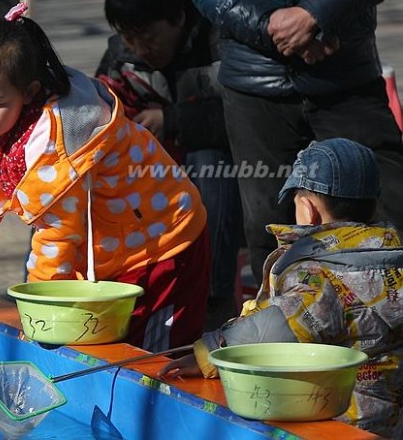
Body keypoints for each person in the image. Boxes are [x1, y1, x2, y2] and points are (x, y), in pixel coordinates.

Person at [0, 3, 212, 352]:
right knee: (99, 348)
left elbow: (58, 233)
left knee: (152, 357)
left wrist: (43, 312)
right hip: (104, 248)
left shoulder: (65, 144)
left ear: (29, 93)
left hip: (163, 242)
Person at [159, 138, 403, 437]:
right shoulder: (392, 254)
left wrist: (209, 352)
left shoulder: (321, 274)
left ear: (309, 209)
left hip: (340, 421)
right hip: (390, 418)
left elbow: (275, 328)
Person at [186, 0, 403, 288]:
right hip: (254, 81)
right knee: (267, 224)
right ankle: (281, 321)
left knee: (389, 209)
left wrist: (315, 16)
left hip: (346, 73)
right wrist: (271, 28)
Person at [94, 0, 243, 329]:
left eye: (148, 38)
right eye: (129, 38)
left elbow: (245, 114)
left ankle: (214, 298)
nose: (140, 49)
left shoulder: (220, 37)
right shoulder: (121, 55)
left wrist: (172, 120)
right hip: (150, 180)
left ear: (178, 18)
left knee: (210, 161)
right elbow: (98, 110)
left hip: (231, 171)